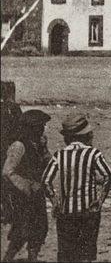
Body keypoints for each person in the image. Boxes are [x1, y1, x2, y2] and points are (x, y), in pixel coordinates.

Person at [42, 112, 111, 263]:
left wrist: (54, 200)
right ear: (85, 135)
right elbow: (109, 177)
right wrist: (100, 200)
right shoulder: (93, 153)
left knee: (67, 254)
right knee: (86, 254)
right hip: (88, 211)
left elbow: (45, 181)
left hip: (66, 212)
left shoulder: (59, 155)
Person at [2, 110, 50, 262]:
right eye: (40, 126)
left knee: (40, 229)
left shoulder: (38, 143)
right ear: (30, 128)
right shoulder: (18, 146)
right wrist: (26, 186)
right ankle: (7, 259)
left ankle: (32, 258)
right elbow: (8, 171)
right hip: (21, 196)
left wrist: (44, 149)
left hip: (37, 194)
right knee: (21, 232)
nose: (43, 129)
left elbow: (48, 163)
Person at [0, 80, 23, 229]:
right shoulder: (14, 108)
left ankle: (7, 210)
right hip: (10, 147)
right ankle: (12, 211)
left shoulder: (7, 108)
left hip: (4, 146)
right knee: (10, 179)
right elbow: (19, 128)